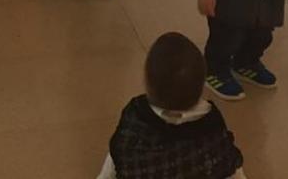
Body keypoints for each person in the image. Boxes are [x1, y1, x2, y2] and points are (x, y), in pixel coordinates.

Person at [97, 32, 247, 179]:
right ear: (201, 84)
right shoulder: (212, 127)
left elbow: (110, 170)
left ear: (147, 84)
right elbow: (232, 169)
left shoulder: (135, 125)